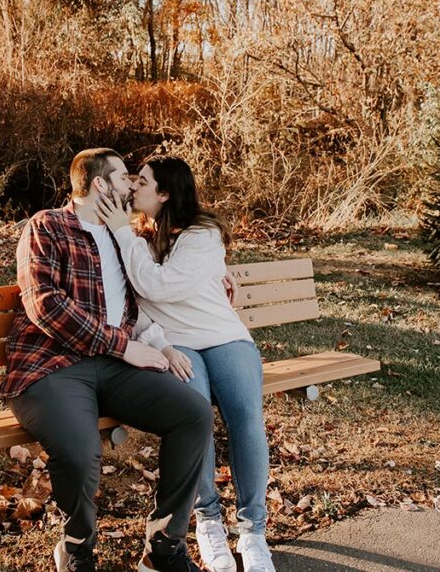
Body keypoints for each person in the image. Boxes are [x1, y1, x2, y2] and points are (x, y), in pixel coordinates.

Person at [0, 148, 214, 572]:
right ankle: (77, 547)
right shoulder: (47, 226)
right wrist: (123, 347)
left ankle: (164, 549)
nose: (132, 186)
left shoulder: (121, 235)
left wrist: (159, 342)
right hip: (51, 367)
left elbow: (137, 300)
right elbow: (46, 306)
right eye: (123, 178)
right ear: (100, 184)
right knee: (81, 453)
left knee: (193, 413)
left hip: (114, 367)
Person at [96, 155, 275, 572]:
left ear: (164, 193)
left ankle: (253, 531)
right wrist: (126, 235)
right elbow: (137, 292)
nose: (133, 188)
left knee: (246, 416)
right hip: (177, 344)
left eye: (141, 182)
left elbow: (158, 284)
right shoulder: (136, 231)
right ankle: (208, 521)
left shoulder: (202, 233)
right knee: (193, 416)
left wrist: (127, 239)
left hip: (223, 336)